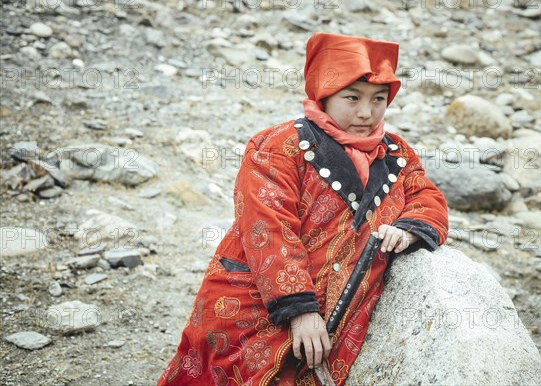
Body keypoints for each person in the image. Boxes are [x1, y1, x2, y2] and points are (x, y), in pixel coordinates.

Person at [157, 32, 449, 386]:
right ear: (324, 95)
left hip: (343, 312)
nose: (366, 113)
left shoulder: (397, 154)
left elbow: (426, 196)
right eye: (352, 97)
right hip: (256, 303)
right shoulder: (278, 147)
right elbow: (269, 229)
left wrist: (409, 227)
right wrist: (300, 309)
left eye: (378, 99)